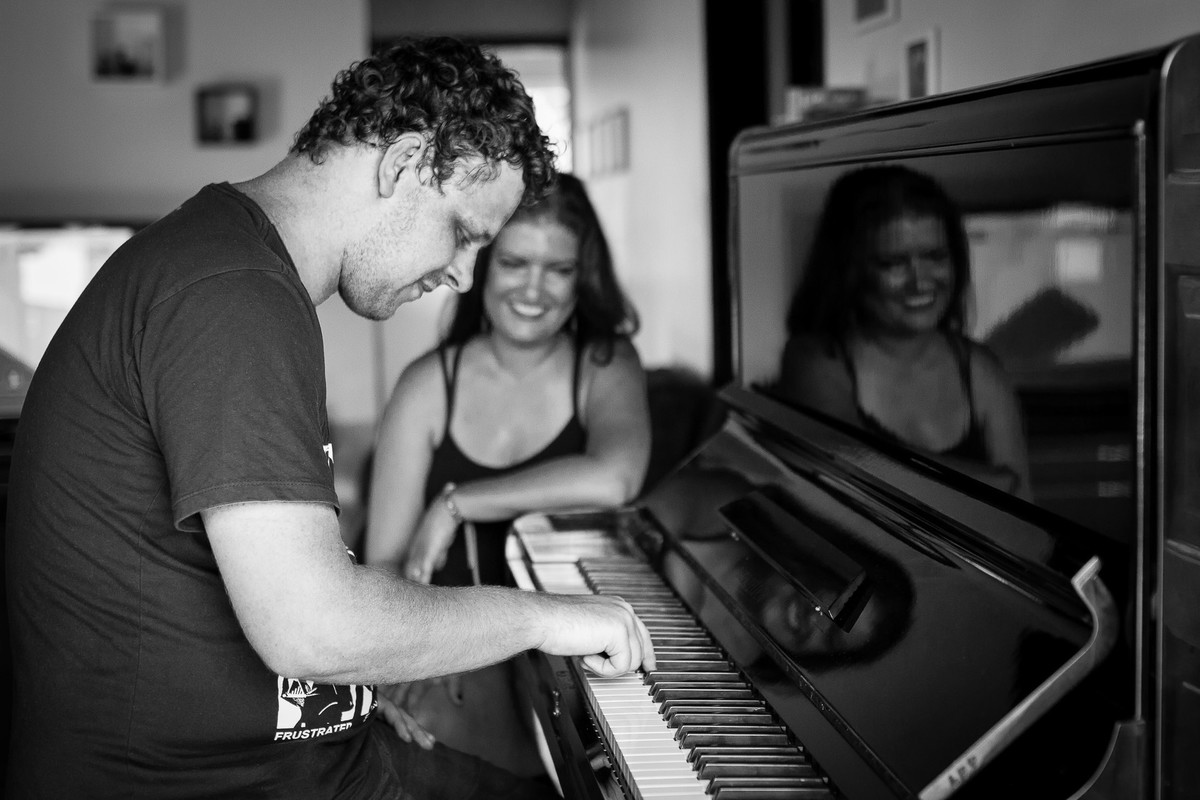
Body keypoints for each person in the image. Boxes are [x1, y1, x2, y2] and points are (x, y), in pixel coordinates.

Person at [4, 37, 654, 800]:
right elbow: (311, 630)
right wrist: (548, 619)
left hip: (299, 755)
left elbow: (265, 588)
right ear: (404, 165)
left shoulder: (234, 270)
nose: (463, 276)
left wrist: (355, 697)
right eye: (466, 234)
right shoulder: (232, 296)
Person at [363, 173, 650, 774]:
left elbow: (615, 479)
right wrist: (404, 667)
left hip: (575, 666)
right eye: (516, 262)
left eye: (559, 270)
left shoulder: (607, 364)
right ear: (481, 265)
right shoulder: (426, 385)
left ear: (584, 278)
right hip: (451, 662)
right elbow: (384, 567)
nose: (534, 290)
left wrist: (457, 503)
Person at [776, 164, 1032, 500]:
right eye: (894, 263)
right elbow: (852, 477)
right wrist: (991, 484)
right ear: (850, 271)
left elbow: (1025, 516)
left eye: (935, 256)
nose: (921, 281)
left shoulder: (980, 370)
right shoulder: (814, 359)